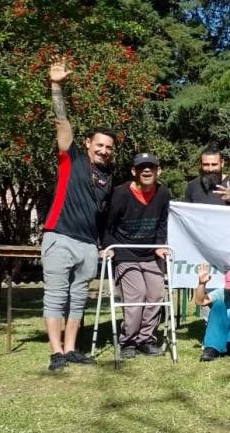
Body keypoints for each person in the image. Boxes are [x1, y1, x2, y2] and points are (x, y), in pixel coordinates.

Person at [40, 58, 115, 372]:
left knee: (78, 298)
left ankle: (71, 348)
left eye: (109, 147)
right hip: (59, 236)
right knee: (56, 295)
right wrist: (56, 86)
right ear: (88, 144)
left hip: (88, 245)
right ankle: (55, 351)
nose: (104, 150)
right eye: (99, 145)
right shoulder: (71, 158)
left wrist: (102, 244)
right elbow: (62, 124)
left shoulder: (108, 177)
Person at [102, 153, 172, 359]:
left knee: (156, 295)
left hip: (150, 251)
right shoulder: (121, 194)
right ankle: (128, 341)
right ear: (134, 171)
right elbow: (108, 224)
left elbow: (163, 222)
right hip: (124, 251)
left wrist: (160, 245)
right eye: (142, 167)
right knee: (136, 296)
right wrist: (108, 246)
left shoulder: (163, 193)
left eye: (151, 167)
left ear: (158, 171)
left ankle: (146, 339)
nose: (147, 170)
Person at [183, 142, 230, 206]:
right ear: (201, 164)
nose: (210, 169)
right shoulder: (192, 187)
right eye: (206, 164)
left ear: (222, 163)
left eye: (214, 164)